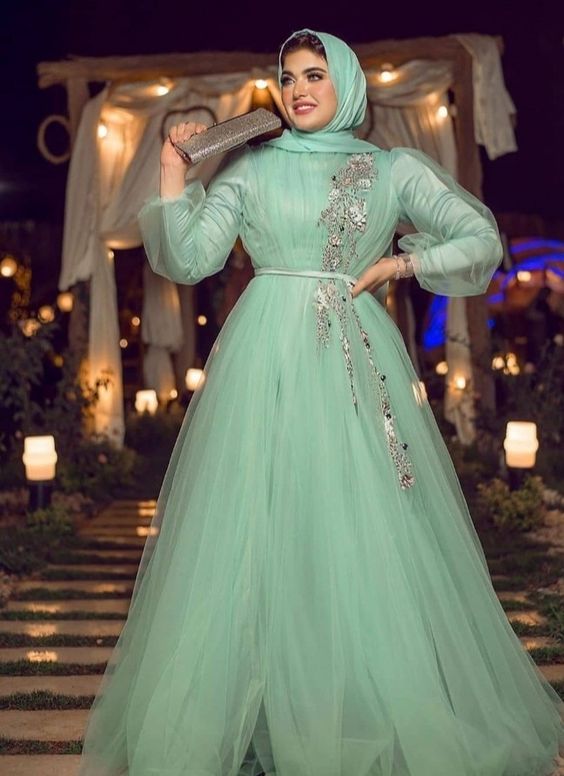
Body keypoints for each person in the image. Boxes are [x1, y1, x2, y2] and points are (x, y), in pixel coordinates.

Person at [78, 29, 564, 776]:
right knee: (256, 517)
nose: (298, 88)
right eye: (288, 75)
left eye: (314, 73)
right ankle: (259, 703)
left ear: (346, 81)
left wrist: (400, 264)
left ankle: (353, 698)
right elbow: (191, 257)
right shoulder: (251, 166)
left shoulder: (392, 168)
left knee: (353, 517)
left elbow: (479, 239)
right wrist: (173, 172)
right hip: (260, 362)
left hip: (348, 356)